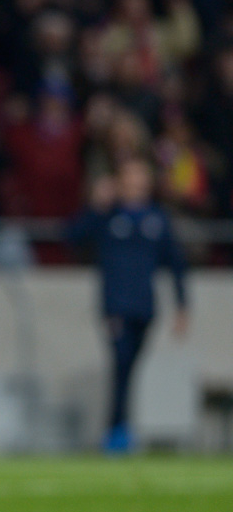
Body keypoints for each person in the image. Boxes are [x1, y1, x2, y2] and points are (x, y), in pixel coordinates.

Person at [67, 157, 188, 453]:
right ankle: (116, 430)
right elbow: (70, 236)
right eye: (129, 176)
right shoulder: (108, 216)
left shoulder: (157, 218)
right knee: (121, 363)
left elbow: (176, 263)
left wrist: (182, 306)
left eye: (140, 176)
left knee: (129, 368)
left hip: (145, 307)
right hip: (115, 307)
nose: (135, 182)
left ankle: (119, 427)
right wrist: (95, 205)